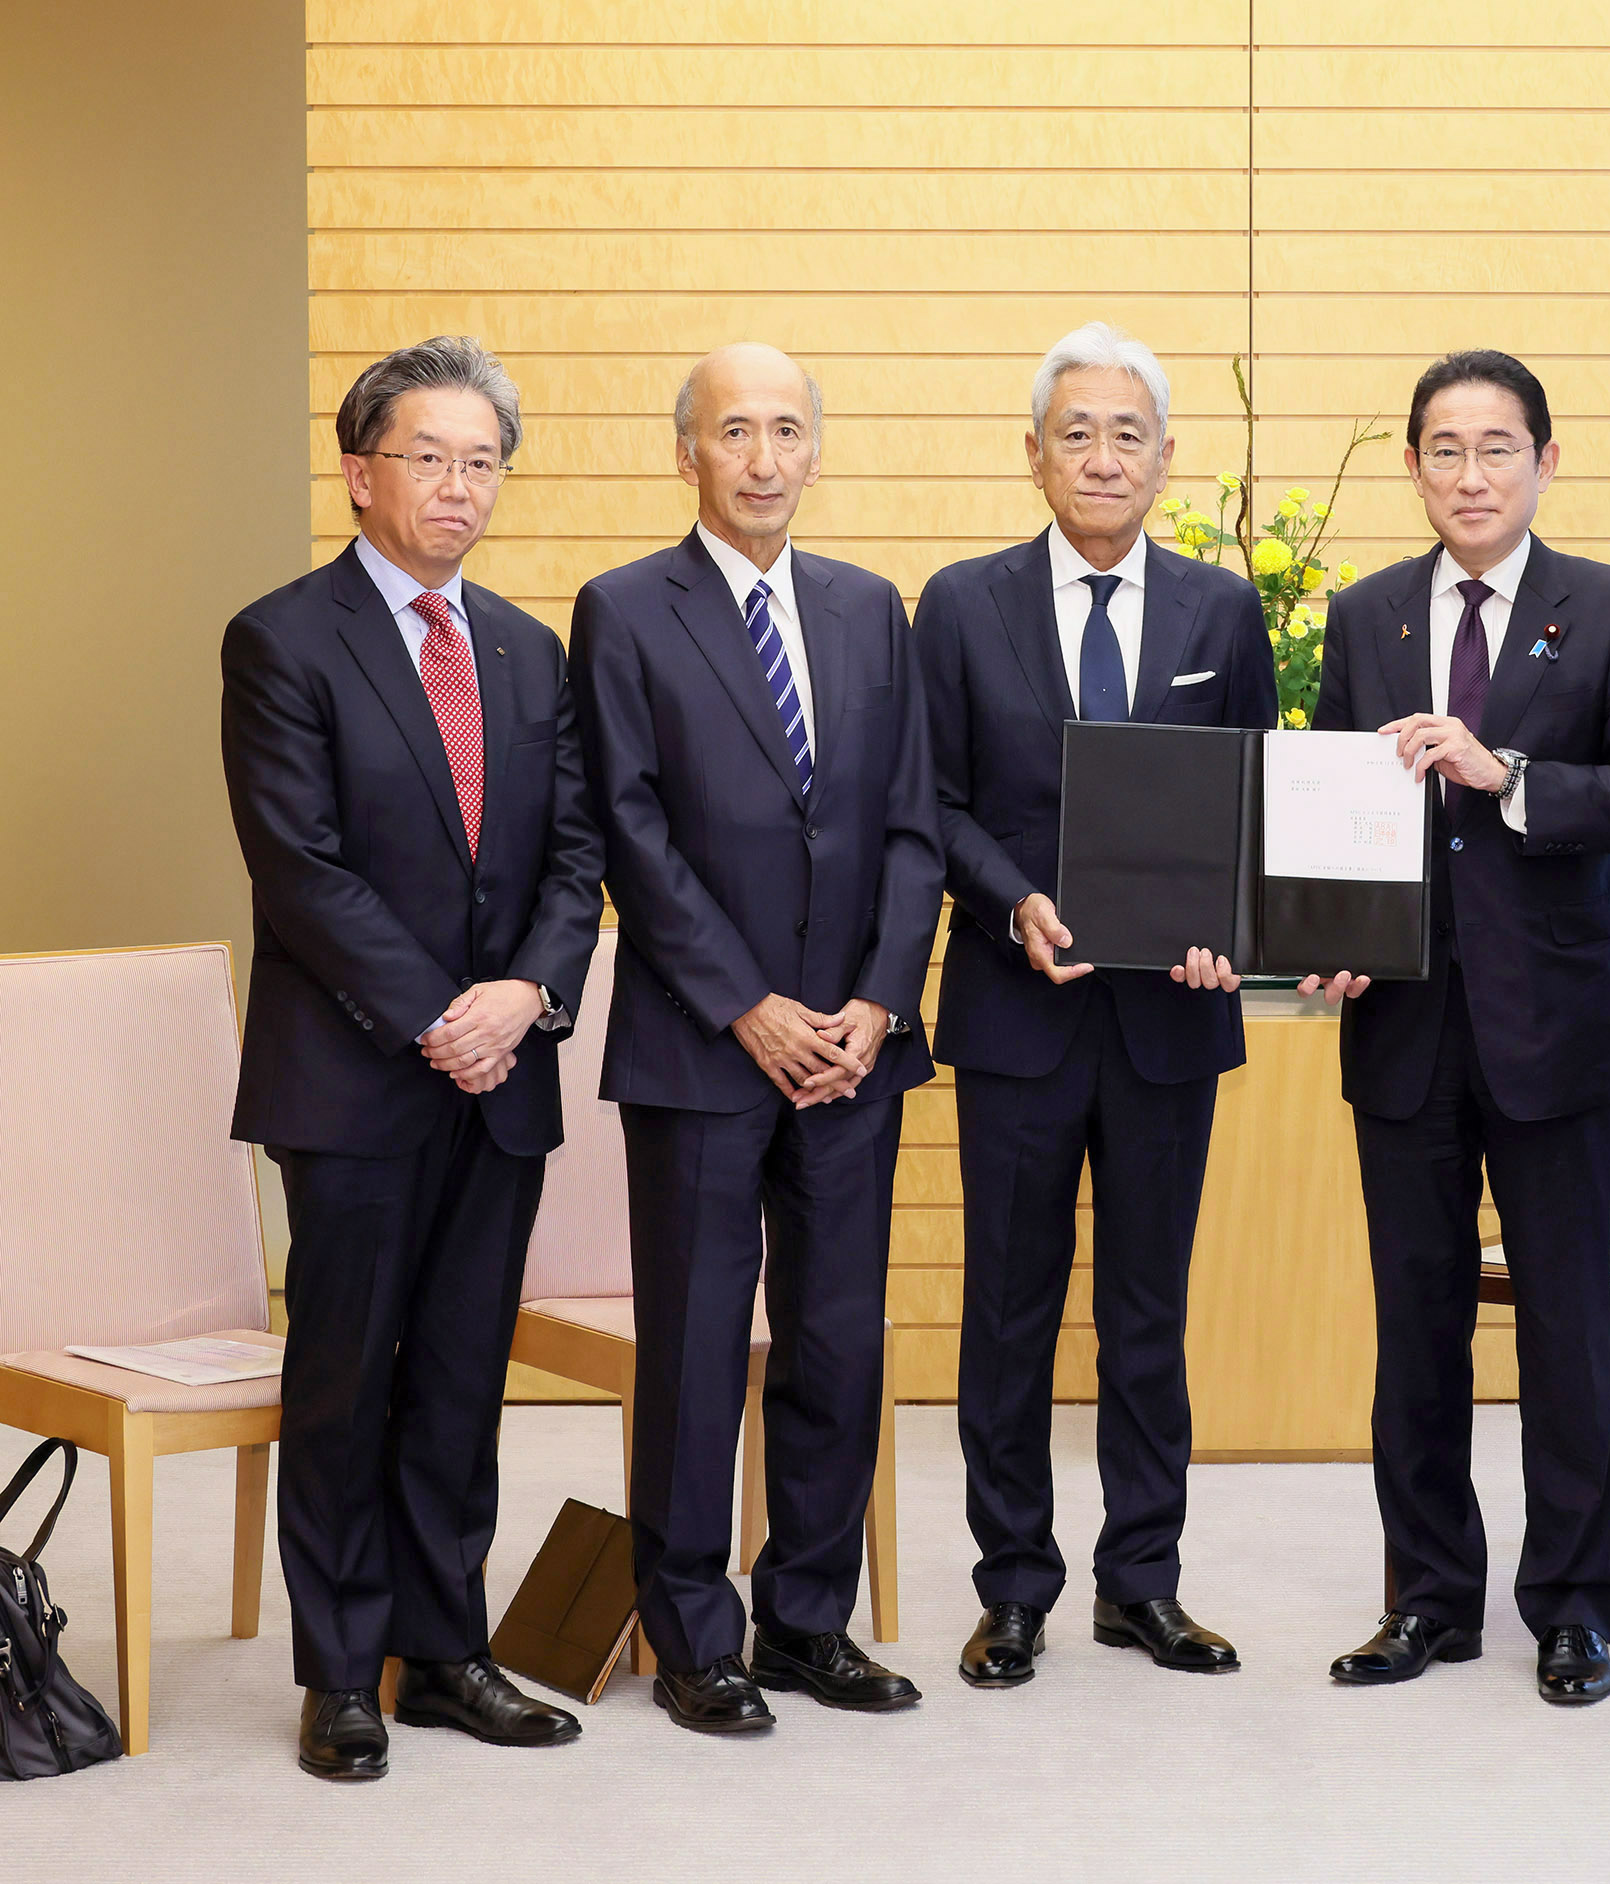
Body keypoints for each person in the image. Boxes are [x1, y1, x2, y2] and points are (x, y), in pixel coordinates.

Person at [221, 337, 604, 1780]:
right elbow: (300, 867)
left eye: (481, 462)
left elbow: (574, 857)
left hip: (502, 1075)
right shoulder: (282, 638)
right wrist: (446, 1015)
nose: (458, 486)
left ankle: (445, 1651)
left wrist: (527, 996)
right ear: (358, 473)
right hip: (357, 1074)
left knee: (458, 1374)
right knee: (344, 1376)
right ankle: (339, 1672)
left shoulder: (526, 648)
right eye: (428, 458)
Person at [1303, 350, 1610, 1707]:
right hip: (1404, 1027)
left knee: (1563, 1329)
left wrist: (1508, 773)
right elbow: (1331, 805)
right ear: (1413, 465)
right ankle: (1427, 1598)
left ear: (1544, 460)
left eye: (1497, 448)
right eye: (1445, 450)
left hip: (1556, 1028)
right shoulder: (1365, 616)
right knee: (1414, 1326)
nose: (1471, 475)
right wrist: (1325, 934)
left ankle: (1573, 1604)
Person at [570, 343, 943, 1733]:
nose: (765, 457)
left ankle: (806, 1622)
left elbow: (911, 823)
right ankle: (694, 1635)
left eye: (788, 429)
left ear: (815, 451)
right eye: (736, 431)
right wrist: (746, 1002)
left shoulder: (869, 609)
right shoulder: (624, 610)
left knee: (836, 1342)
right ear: (689, 453)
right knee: (695, 1344)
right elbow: (630, 829)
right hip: (701, 1044)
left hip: (851, 1051)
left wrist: (879, 1000)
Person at [914, 323, 1275, 1689]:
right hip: (1017, 1014)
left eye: (1130, 434)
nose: (1104, 456)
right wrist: (1011, 898)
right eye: (1078, 433)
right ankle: (1012, 1587)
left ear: (1166, 457)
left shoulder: (1219, 611)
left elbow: (1253, 799)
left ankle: (1143, 1582)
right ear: (1034, 455)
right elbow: (931, 800)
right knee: (1008, 1312)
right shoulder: (962, 606)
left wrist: (1232, 934)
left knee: (1147, 1311)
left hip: (1168, 1023)